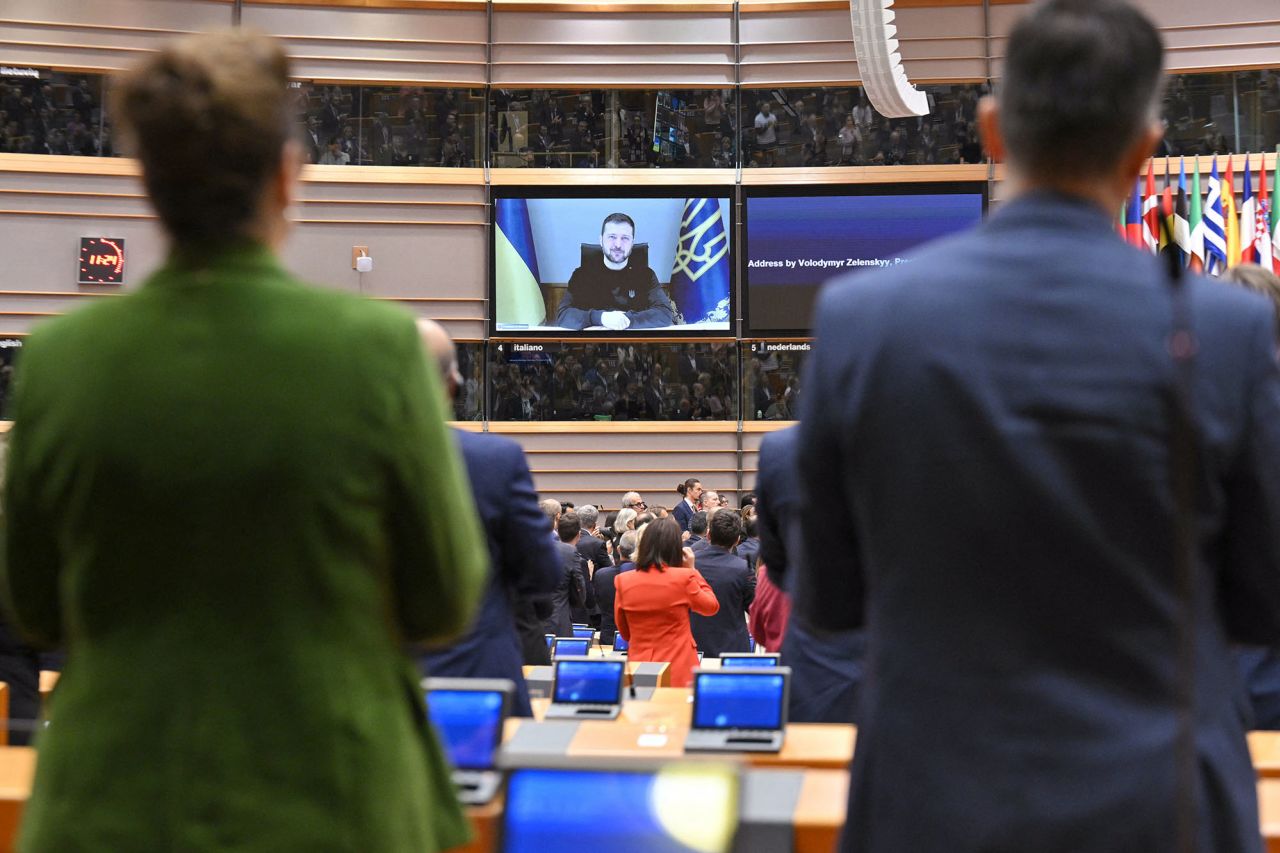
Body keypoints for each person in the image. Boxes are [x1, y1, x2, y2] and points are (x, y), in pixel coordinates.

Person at [796, 2, 1280, 849]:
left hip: (930, 806)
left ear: (991, 131)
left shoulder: (860, 320)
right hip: (1158, 807)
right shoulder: (1232, 335)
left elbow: (831, 602)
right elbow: (1264, 600)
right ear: (1143, 149)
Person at [0, 31, 488, 852]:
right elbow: (442, 598)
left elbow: (34, 604)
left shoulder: (58, 362)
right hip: (337, 799)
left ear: (150, 185)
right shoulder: (377, 352)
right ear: (286, 176)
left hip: (111, 802)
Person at [415, 320, 562, 717]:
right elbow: (543, 573)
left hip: (376, 687)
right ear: (453, 383)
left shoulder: (339, 461)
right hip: (478, 678)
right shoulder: (494, 460)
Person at [614, 518, 719, 687]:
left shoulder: (623, 581)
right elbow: (711, 606)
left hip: (640, 665)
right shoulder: (684, 577)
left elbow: (625, 633)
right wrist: (692, 570)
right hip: (679, 665)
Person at [554, 212, 677, 331]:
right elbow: (564, 315)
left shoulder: (646, 275)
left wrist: (625, 319)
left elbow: (665, 314)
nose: (618, 244)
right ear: (601, 240)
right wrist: (600, 318)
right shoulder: (581, 275)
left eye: (625, 238)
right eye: (612, 237)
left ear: (632, 242)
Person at [688, 511, 756, 658]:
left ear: (708, 535)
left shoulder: (689, 563)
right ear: (737, 540)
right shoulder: (744, 568)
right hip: (732, 651)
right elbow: (755, 609)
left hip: (694, 648)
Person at [593, 530, 638, 645]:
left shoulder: (601, 575)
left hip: (608, 635)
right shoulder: (644, 577)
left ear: (618, 549)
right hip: (636, 637)